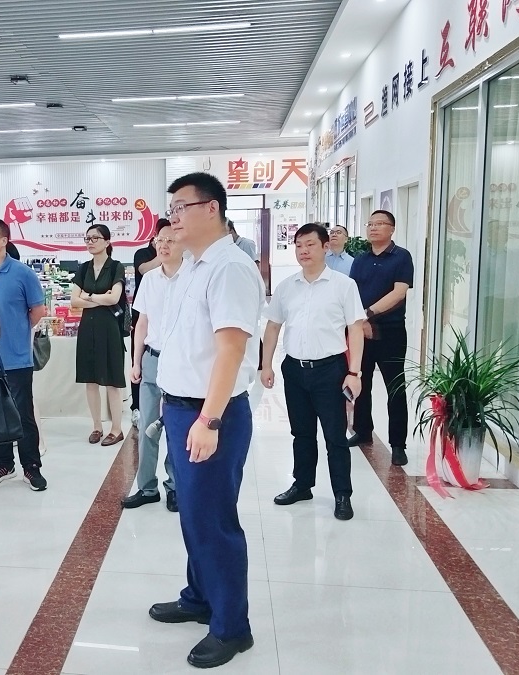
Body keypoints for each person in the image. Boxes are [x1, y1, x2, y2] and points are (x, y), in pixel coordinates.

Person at [149, 172, 263, 669]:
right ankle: (199, 596)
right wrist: (169, 400)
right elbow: (184, 344)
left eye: (181, 207)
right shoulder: (194, 265)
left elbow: (231, 350)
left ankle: (232, 627)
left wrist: (209, 420)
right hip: (183, 409)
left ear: (211, 208)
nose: (172, 217)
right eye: (171, 209)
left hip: (210, 413)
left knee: (213, 520)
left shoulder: (230, 268)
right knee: (194, 515)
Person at [261, 223, 366, 520]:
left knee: (335, 436)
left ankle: (342, 494)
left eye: (310, 244)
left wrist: (354, 373)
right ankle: (302, 485)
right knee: (301, 432)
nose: (303, 251)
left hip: (330, 370)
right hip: (295, 369)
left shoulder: (343, 285)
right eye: (298, 245)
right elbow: (273, 326)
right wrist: (266, 364)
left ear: (325, 247)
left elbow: (355, 329)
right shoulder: (286, 287)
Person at [0, 217, 48, 491]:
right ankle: (3, 463)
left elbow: (37, 311)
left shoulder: (22, 273)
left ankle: (31, 466)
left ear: (4, 240)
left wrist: (16, 330)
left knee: (21, 414)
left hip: (15, 358)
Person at [122, 219, 183, 512]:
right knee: (147, 427)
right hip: (152, 360)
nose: (164, 245)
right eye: (160, 240)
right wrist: (136, 361)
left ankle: (175, 486)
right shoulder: (149, 280)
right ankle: (147, 487)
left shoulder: (192, 277)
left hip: (181, 364)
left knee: (176, 429)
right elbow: (142, 323)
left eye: (171, 240)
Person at [347, 210, 414, 467]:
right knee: (361, 382)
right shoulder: (360, 259)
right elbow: (351, 292)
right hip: (361, 332)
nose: (373, 228)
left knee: (395, 387)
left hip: (391, 331)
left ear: (392, 229)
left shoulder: (401, 257)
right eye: (370, 224)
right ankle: (363, 431)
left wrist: (368, 314)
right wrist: (358, 321)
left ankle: (398, 444)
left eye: (380, 224)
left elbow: (399, 293)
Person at [71, 224, 127, 447]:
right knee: (91, 380)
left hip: (109, 328)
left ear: (107, 242)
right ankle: (96, 426)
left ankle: (116, 429)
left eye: (95, 238)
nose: (90, 242)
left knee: (112, 380)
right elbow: (74, 301)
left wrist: (89, 296)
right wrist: (100, 298)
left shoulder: (116, 267)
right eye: (87, 238)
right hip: (88, 328)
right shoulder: (83, 268)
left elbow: (114, 298)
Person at [131, 236, 160, 426]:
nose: (164, 244)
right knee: (139, 370)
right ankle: (137, 408)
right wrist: (163, 254)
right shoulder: (143, 254)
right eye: (161, 239)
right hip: (141, 316)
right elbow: (144, 269)